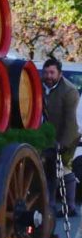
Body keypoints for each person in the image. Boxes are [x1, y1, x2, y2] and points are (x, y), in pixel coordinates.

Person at [42, 57, 79, 216]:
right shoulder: (39, 86)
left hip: (67, 135)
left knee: (63, 167)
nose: (48, 76)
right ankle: (48, 204)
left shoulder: (69, 91)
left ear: (59, 74)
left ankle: (70, 207)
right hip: (46, 136)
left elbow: (71, 121)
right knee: (48, 168)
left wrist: (63, 144)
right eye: (46, 72)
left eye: (52, 72)